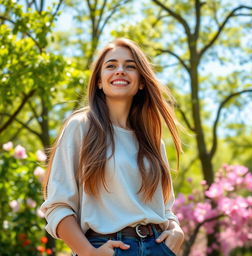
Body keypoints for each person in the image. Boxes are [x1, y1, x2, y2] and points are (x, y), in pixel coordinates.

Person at [41, 38, 184, 256]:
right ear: (99, 81)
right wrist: (88, 252)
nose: (120, 71)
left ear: (142, 82)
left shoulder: (153, 141)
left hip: (158, 247)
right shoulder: (81, 127)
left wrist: (175, 229)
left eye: (130, 66)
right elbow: (57, 206)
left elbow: (164, 207)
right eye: (111, 65)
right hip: (106, 248)